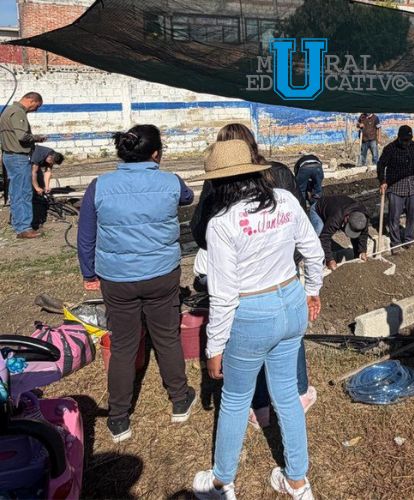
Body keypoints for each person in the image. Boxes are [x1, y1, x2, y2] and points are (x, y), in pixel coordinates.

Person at [192, 139, 324, 500]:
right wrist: (312, 290)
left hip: (251, 313)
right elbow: (314, 252)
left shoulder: (221, 223)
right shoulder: (284, 201)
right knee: (287, 395)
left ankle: (221, 482)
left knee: (235, 398)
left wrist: (214, 347)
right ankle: (297, 481)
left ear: (219, 182)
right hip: (290, 301)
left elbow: (223, 294)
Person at [77, 125, 196, 443]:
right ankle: (180, 400)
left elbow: (86, 234)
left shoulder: (99, 186)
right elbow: (188, 196)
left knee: (125, 345)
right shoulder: (170, 181)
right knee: (167, 338)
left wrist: (89, 273)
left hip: (116, 280)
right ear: (156, 153)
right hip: (161, 275)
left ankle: (118, 420)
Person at [0, 92, 47, 238]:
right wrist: (37, 138)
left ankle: (18, 223)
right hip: (18, 157)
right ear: (31, 100)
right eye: (36, 106)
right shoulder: (18, 112)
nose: (35, 110)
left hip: (10, 156)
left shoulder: (8, 111)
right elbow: (21, 136)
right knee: (23, 192)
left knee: (16, 191)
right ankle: (24, 228)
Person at [377, 125, 414, 254]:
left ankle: (409, 240)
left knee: (413, 215)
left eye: (408, 140)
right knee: (394, 217)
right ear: (398, 138)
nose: (406, 143)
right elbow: (381, 165)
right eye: (403, 140)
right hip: (396, 188)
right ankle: (396, 244)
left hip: (413, 187)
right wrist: (382, 181)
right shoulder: (390, 149)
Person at [309, 195, 369, 270]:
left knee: (357, 237)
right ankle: (317, 267)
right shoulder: (337, 217)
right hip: (318, 211)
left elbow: (363, 234)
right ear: (347, 219)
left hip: (335, 209)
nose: (347, 235)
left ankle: (357, 258)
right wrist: (330, 259)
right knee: (318, 237)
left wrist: (362, 251)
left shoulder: (362, 219)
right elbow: (324, 238)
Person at [30, 146, 65, 230]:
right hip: (27, 164)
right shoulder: (38, 155)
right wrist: (36, 187)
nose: (51, 163)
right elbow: (33, 173)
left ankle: (38, 202)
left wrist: (47, 186)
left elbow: (48, 171)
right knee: (32, 187)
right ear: (50, 157)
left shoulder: (53, 156)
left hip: (36, 167)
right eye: (51, 162)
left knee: (41, 187)